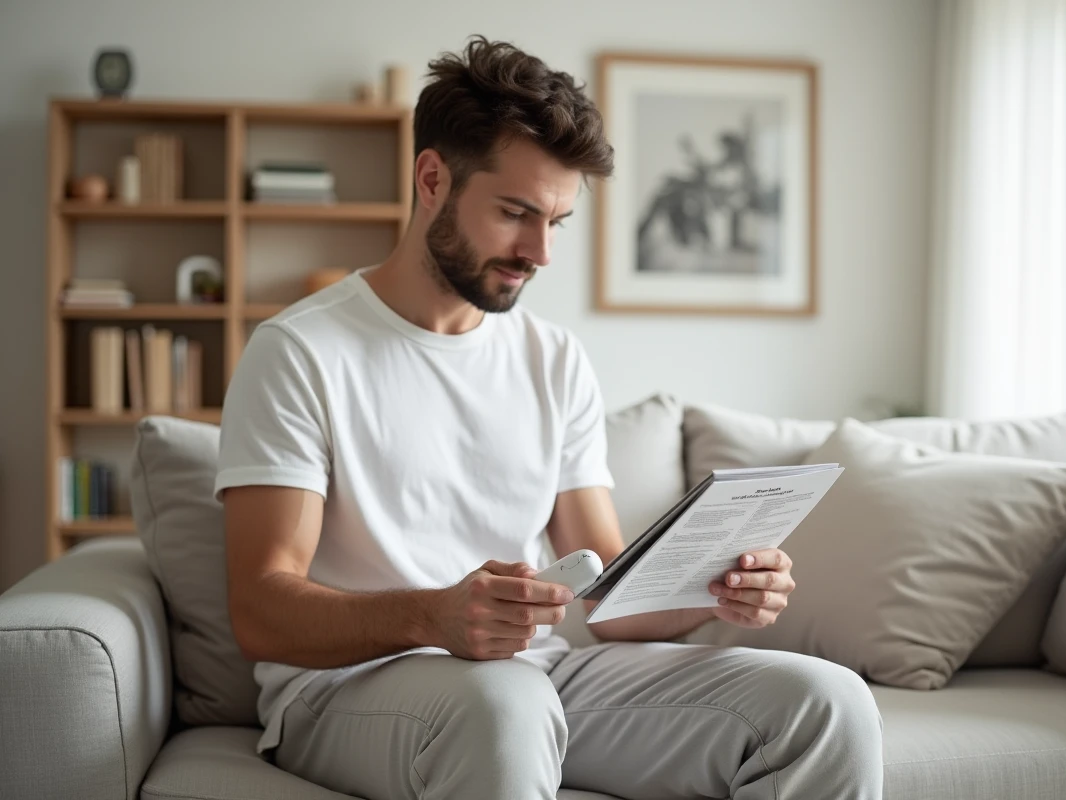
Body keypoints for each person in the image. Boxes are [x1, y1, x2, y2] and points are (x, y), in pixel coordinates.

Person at [216, 35, 883, 800]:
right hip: (345, 691)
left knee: (824, 705)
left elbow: (604, 596)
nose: (540, 252)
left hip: (533, 677)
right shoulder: (300, 350)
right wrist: (434, 617)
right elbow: (262, 608)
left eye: (558, 221)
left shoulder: (552, 357)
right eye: (515, 213)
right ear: (432, 178)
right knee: (506, 705)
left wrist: (710, 588)